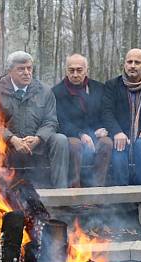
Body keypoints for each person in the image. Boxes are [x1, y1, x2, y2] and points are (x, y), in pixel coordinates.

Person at [0, 51, 69, 188]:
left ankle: (61, 194)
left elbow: (51, 121)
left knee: (60, 139)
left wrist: (38, 138)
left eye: (29, 68)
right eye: (21, 69)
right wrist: (12, 139)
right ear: (10, 71)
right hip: (8, 146)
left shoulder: (45, 91)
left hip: (38, 145)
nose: (27, 72)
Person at [102, 48, 141, 185]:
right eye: (129, 62)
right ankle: (123, 200)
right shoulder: (112, 85)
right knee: (119, 151)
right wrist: (117, 132)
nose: (133, 65)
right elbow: (106, 112)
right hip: (121, 135)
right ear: (124, 64)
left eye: (137, 62)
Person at [52, 54, 113, 187]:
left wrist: (102, 129)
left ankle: (97, 191)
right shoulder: (57, 92)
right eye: (71, 70)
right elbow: (60, 121)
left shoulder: (99, 88)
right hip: (73, 135)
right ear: (66, 71)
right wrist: (81, 134)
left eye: (79, 70)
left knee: (107, 143)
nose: (75, 74)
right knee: (74, 145)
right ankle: (76, 192)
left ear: (86, 70)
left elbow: (105, 113)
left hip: (96, 135)